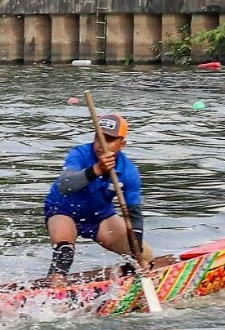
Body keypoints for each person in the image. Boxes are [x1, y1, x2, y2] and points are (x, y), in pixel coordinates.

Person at [45, 112, 149, 281]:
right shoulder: (79, 154)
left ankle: (126, 278)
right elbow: (65, 185)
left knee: (143, 256)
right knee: (64, 253)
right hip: (64, 211)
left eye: (109, 140)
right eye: (98, 138)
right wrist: (96, 170)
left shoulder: (129, 171)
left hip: (99, 217)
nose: (101, 145)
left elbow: (134, 216)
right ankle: (55, 287)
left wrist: (138, 255)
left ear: (122, 144)